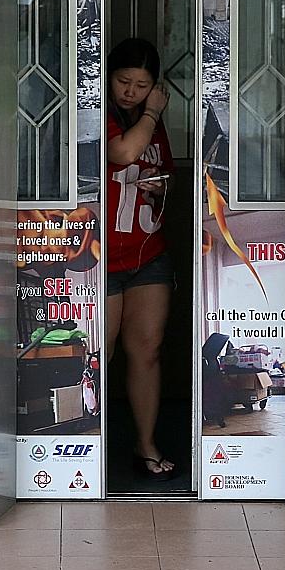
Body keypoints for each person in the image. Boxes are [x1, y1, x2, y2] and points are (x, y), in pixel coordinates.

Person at [104, 37, 176, 478]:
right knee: (102, 352)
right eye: (124, 81)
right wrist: (152, 112)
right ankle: (90, 448)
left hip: (148, 250)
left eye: (142, 85)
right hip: (102, 256)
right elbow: (123, 153)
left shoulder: (155, 125)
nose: (130, 91)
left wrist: (161, 186)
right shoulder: (98, 114)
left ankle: (146, 445)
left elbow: (159, 169)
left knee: (146, 351)